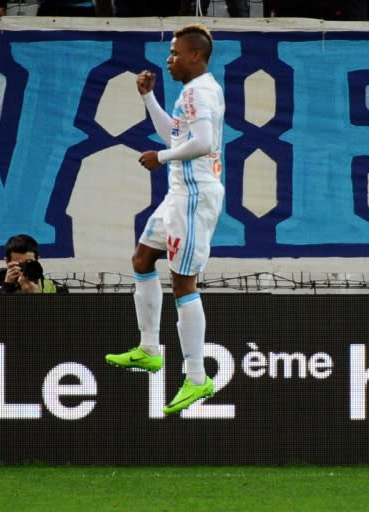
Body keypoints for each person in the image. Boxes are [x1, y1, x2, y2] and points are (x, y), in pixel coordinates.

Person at [105, 23, 225, 416]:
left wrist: (162, 158)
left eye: (175, 53)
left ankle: (196, 377)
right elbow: (177, 136)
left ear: (196, 55)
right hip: (178, 195)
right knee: (142, 259)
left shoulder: (200, 91)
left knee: (182, 281)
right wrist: (149, 98)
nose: (169, 59)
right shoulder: (190, 93)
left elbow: (203, 143)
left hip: (194, 196)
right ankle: (149, 349)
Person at [0, 234, 65, 294]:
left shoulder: (56, 289)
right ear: (7, 262)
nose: (24, 269)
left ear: (37, 261)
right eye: (19, 265)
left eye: (29, 264)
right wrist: (6, 289)